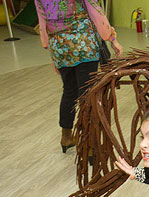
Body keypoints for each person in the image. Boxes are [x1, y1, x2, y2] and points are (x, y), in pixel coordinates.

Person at [35, 0, 123, 153]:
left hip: (59, 45)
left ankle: (66, 136)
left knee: (69, 90)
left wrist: (49, 44)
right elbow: (96, 13)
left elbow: (42, 18)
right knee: (87, 93)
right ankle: (90, 143)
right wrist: (112, 38)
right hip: (83, 43)